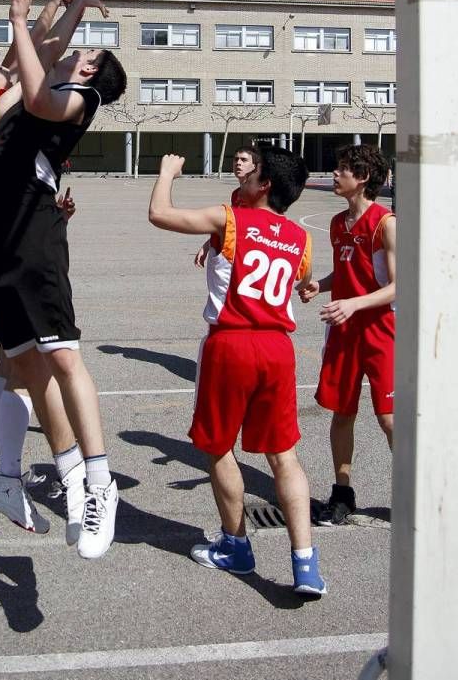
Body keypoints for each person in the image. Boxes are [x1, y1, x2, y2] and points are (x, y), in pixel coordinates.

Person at [0, 0, 127, 559]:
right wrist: (76, 7)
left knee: (62, 356)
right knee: (24, 366)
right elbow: (39, 52)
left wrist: (19, 14)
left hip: (35, 234)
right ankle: (63, 476)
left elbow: (41, 83)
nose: (69, 51)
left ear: (88, 73)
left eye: (82, 52)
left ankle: (100, 480)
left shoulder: (76, 100)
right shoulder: (30, 89)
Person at [0, 0, 104, 540]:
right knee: (20, 367)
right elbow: (38, 49)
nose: (8, 65)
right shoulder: (2, 104)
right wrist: (46, 16)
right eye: (0, 68)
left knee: (11, 364)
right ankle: (2, 468)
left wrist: (67, 9)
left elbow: (41, 46)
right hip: (7, 241)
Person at [149, 148, 326, 595]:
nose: (246, 172)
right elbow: (301, 277)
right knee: (283, 455)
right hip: (278, 349)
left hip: (232, 342)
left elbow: (159, 214)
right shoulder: (301, 239)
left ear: (264, 184)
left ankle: (236, 546)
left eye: (256, 169)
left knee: (218, 446)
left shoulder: (231, 219)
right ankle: (305, 563)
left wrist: (168, 172)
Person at [298, 144, 395, 526]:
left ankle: (409, 491)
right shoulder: (339, 224)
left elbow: (397, 287)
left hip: (380, 331)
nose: (335, 175)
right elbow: (347, 273)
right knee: (342, 412)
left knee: (389, 419)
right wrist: (320, 286)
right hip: (344, 332)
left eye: (342, 170)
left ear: (364, 178)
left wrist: (354, 304)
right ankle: (343, 492)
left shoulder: (385, 223)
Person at [194, 147, 259, 268]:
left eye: (244, 160)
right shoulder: (236, 194)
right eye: (236, 159)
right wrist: (208, 245)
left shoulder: (257, 195)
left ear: (254, 166)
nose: (238, 163)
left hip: (250, 259)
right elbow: (231, 225)